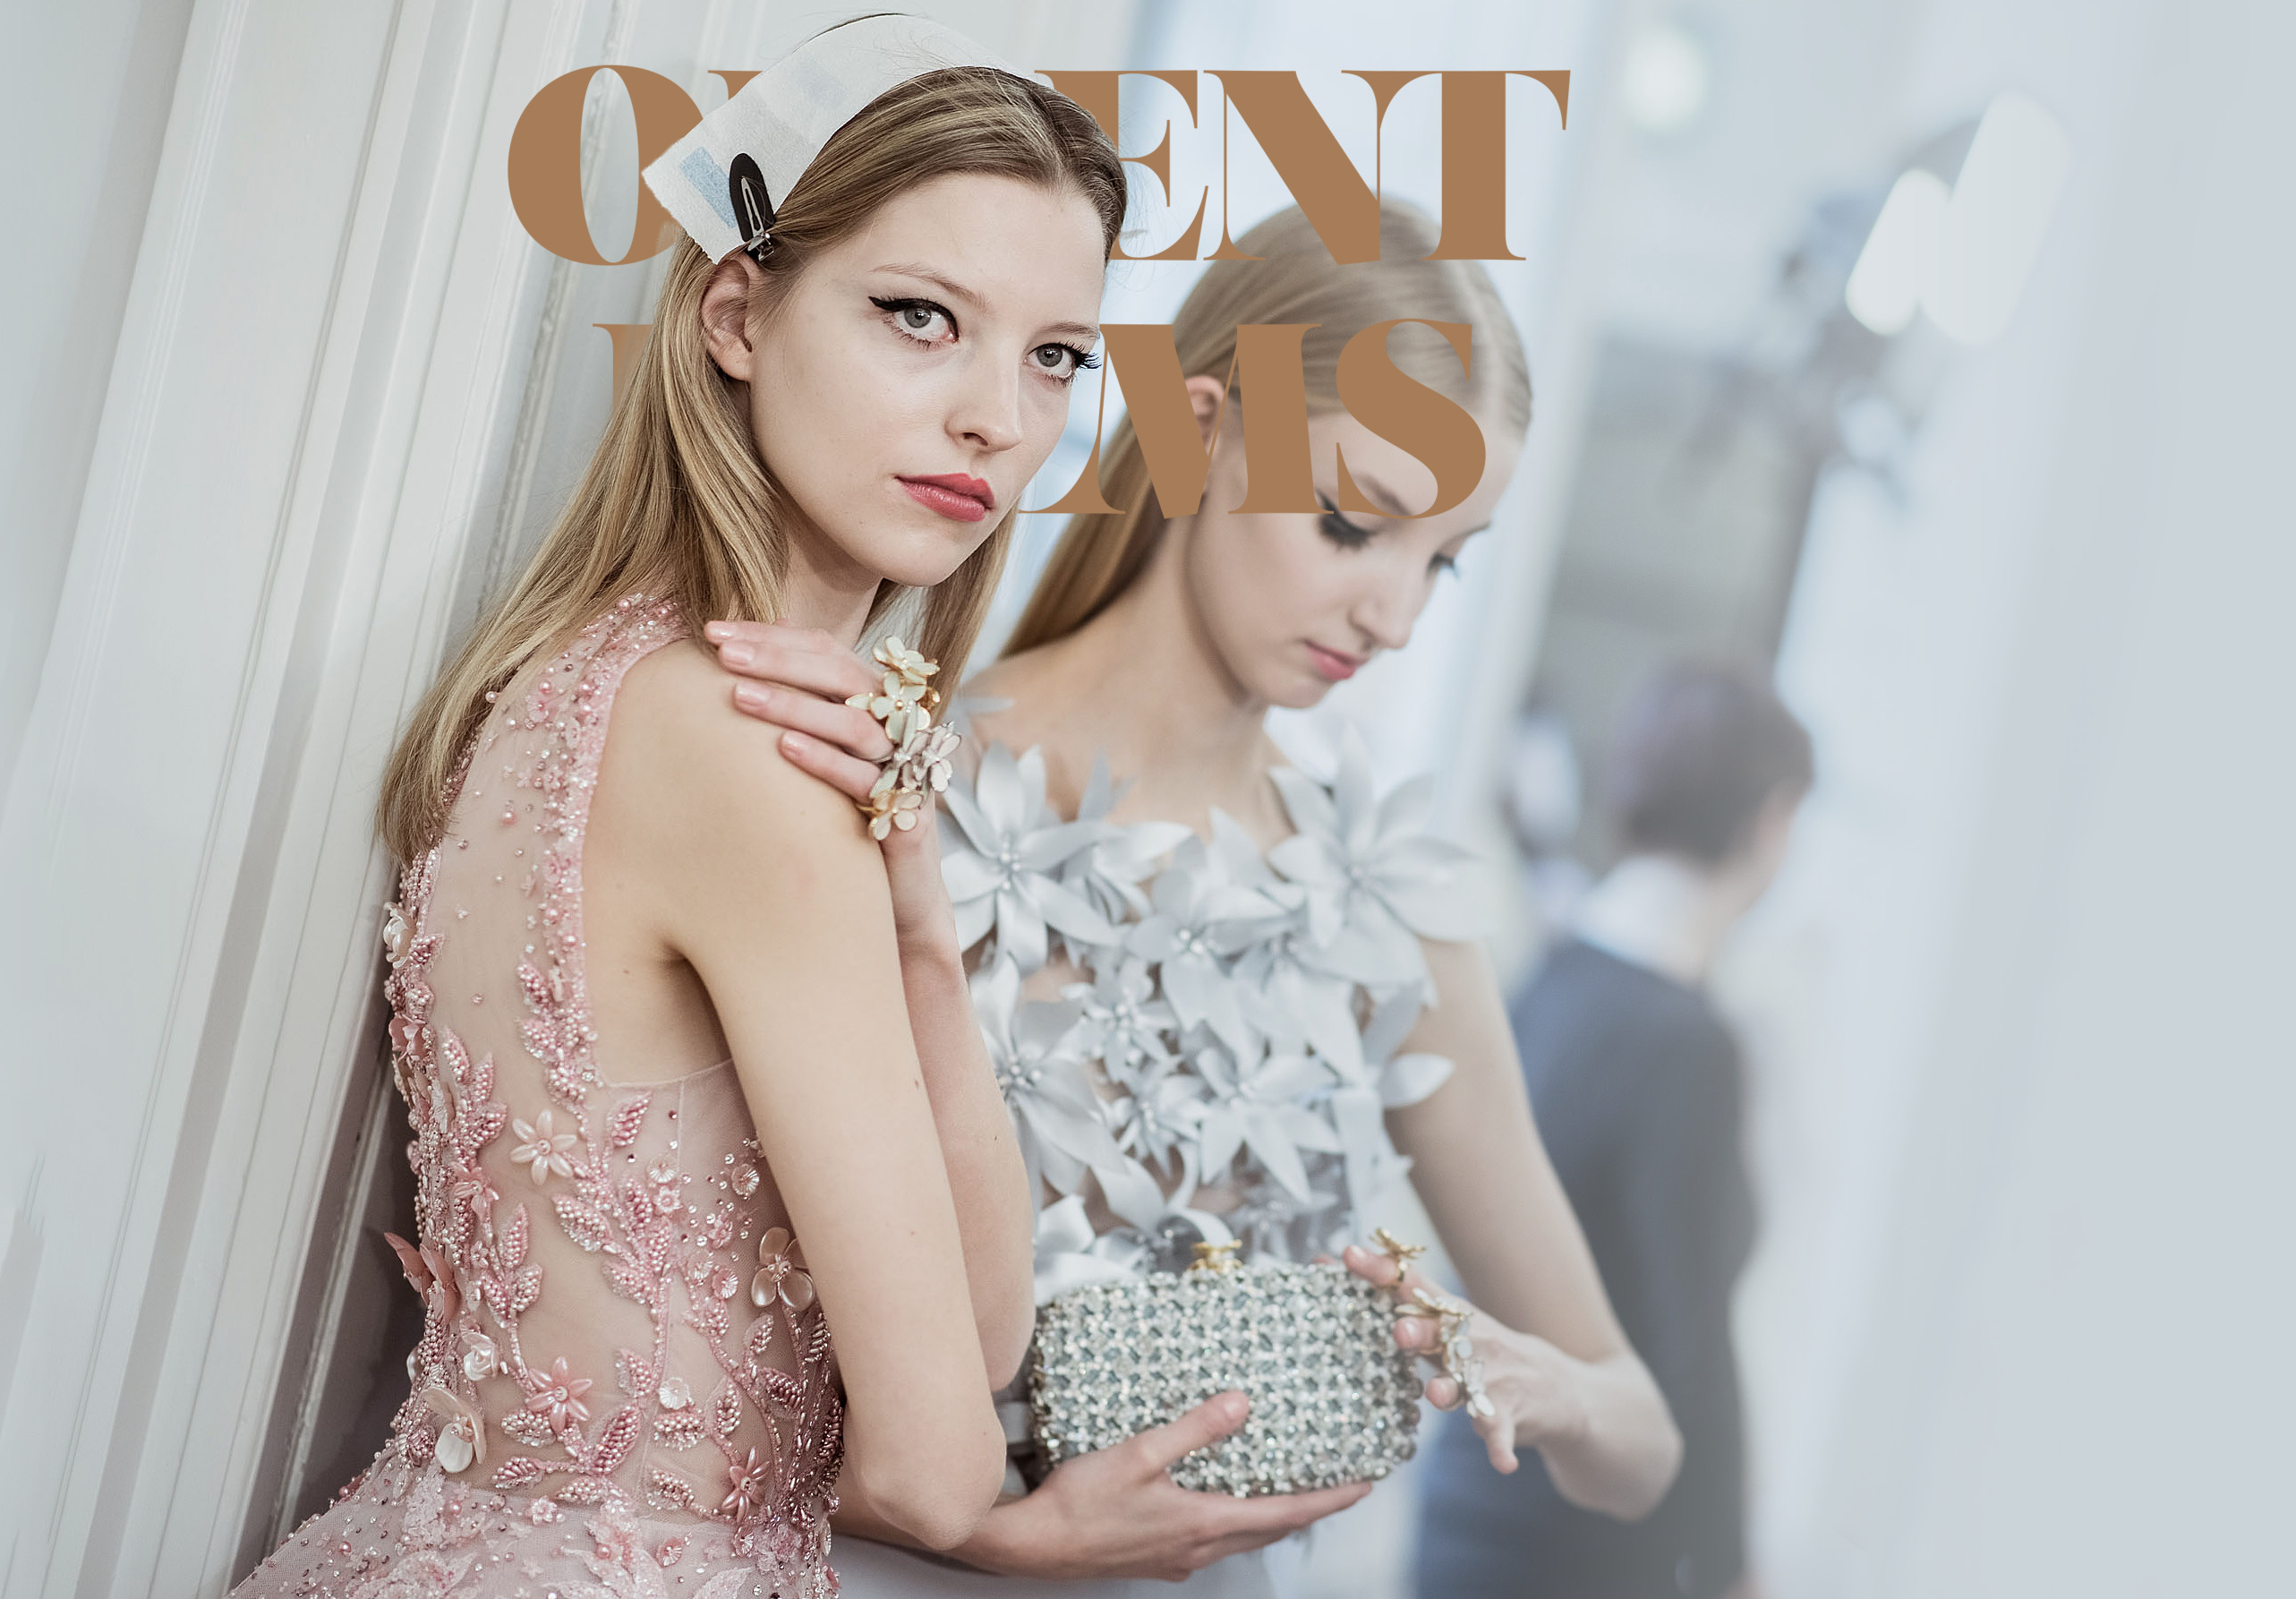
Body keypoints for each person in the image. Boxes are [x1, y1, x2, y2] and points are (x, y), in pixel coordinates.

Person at [225, 19, 1126, 1598]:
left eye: (1055, 354)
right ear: (736, 313)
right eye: (921, 316)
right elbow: (939, 1464)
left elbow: (986, 1338)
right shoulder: (739, 747)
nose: (999, 416)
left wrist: (924, 936)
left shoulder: (583, 678)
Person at [709, 201, 1685, 1598]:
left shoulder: (1381, 906)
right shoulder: (901, 788)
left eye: (1442, 559)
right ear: (1201, 428)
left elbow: (1639, 1448)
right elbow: (683, 1362)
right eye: (1354, 522)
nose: (1395, 616)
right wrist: (988, 1529)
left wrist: (1551, 1385)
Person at [1410, 660, 1814, 1599]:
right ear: (1770, 819)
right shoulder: (1685, 1045)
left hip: (1471, 1490)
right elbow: (1691, 1343)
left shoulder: (1549, 981)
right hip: (1580, 1534)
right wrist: (1729, 1565)